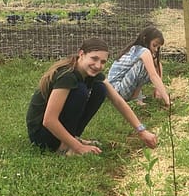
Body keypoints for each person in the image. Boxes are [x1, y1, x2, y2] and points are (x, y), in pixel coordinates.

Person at [26, 37, 158, 155]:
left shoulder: (90, 74)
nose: (98, 65)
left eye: (103, 62)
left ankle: (71, 138)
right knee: (81, 92)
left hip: (53, 131)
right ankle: (64, 146)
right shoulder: (67, 76)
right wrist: (79, 147)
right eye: (94, 59)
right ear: (81, 54)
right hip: (42, 136)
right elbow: (49, 120)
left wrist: (142, 131)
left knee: (100, 88)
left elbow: (118, 101)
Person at [107, 26, 172, 108]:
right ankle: (135, 98)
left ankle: (137, 97)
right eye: (154, 45)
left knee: (153, 63)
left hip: (113, 91)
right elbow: (153, 76)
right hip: (116, 90)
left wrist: (158, 90)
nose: (156, 49)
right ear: (145, 40)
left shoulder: (136, 49)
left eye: (158, 47)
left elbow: (158, 65)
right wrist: (167, 99)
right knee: (143, 65)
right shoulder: (144, 52)